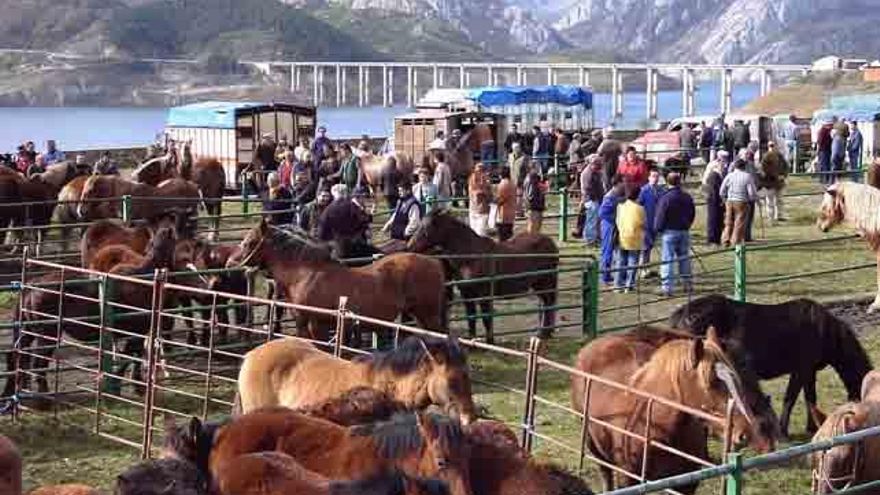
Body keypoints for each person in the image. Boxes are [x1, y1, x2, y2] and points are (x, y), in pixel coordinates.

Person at [653, 172, 695, 296]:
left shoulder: (665, 198)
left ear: (667, 182)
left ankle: (667, 288)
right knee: (684, 258)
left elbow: (660, 216)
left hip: (669, 232)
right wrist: (687, 225)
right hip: (684, 230)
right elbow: (692, 213)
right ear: (679, 182)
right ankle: (687, 284)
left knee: (668, 260)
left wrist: (657, 229)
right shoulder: (687, 196)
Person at [614, 183, 645, 293]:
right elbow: (642, 223)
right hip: (635, 238)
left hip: (622, 236)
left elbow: (617, 221)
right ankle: (629, 285)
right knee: (633, 262)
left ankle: (618, 285)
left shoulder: (620, 206)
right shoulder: (640, 209)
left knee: (620, 261)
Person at [720, 159, 757, 246]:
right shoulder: (747, 176)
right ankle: (735, 241)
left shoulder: (729, 176)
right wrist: (752, 199)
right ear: (744, 167)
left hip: (729, 201)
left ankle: (725, 239)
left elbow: (721, 190)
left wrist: (725, 199)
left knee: (728, 221)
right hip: (741, 201)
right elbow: (751, 193)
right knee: (739, 222)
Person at [637, 168, 666, 275]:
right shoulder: (644, 190)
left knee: (650, 246)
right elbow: (639, 205)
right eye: (653, 176)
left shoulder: (661, 190)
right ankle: (642, 267)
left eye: (657, 176)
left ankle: (646, 266)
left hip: (656, 222)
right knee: (645, 246)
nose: (655, 178)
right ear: (649, 178)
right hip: (646, 222)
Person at [598, 177, 624, 286]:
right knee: (607, 250)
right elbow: (602, 213)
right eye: (622, 182)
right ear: (617, 184)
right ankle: (605, 276)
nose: (624, 184)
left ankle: (607, 274)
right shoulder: (610, 196)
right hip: (609, 225)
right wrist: (615, 218)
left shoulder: (617, 195)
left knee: (612, 250)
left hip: (613, 225)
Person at [758, 141, 787, 223]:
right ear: (768, 146)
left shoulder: (780, 156)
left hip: (779, 183)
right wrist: (775, 175)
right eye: (770, 146)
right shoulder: (765, 157)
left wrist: (783, 175)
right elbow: (764, 169)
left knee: (780, 200)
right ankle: (771, 218)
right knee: (770, 201)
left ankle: (780, 216)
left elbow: (786, 166)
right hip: (769, 183)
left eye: (773, 145)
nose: (772, 147)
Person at [580, 156, 605, 246]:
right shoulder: (587, 174)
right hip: (590, 200)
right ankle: (590, 239)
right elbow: (587, 189)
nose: (599, 167)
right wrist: (595, 198)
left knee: (595, 220)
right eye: (598, 165)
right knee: (591, 220)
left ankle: (595, 238)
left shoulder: (595, 172)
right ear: (592, 164)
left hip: (595, 199)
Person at [702, 155, 725, 245]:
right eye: (721, 165)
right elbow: (714, 190)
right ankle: (712, 238)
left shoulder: (718, 175)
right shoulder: (714, 175)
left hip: (715, 200)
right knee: (713, 220)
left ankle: (716, 238)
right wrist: (719, 201)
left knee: (718, 220)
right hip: (714, 201)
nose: (723, 166)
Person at [468, 163, 493, 236]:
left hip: (478, 210)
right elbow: (488, 196)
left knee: (478, 235)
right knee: (477, 235)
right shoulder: (473, 179)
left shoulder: (484, 180)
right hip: (477, 210)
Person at [495, 166, 516, 242]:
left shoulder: (503, 184)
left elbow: (501, 199)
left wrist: (493, 201)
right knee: (509, 236)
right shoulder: (512, 183)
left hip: (503, 215)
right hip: (511, 213)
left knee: (502, 238)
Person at [523, 163, 545, 235]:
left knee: (534, 226)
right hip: (534, 206)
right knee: (533, 227)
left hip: (534, 206)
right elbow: (531, 194)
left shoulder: (531, 177)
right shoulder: (532, 178)